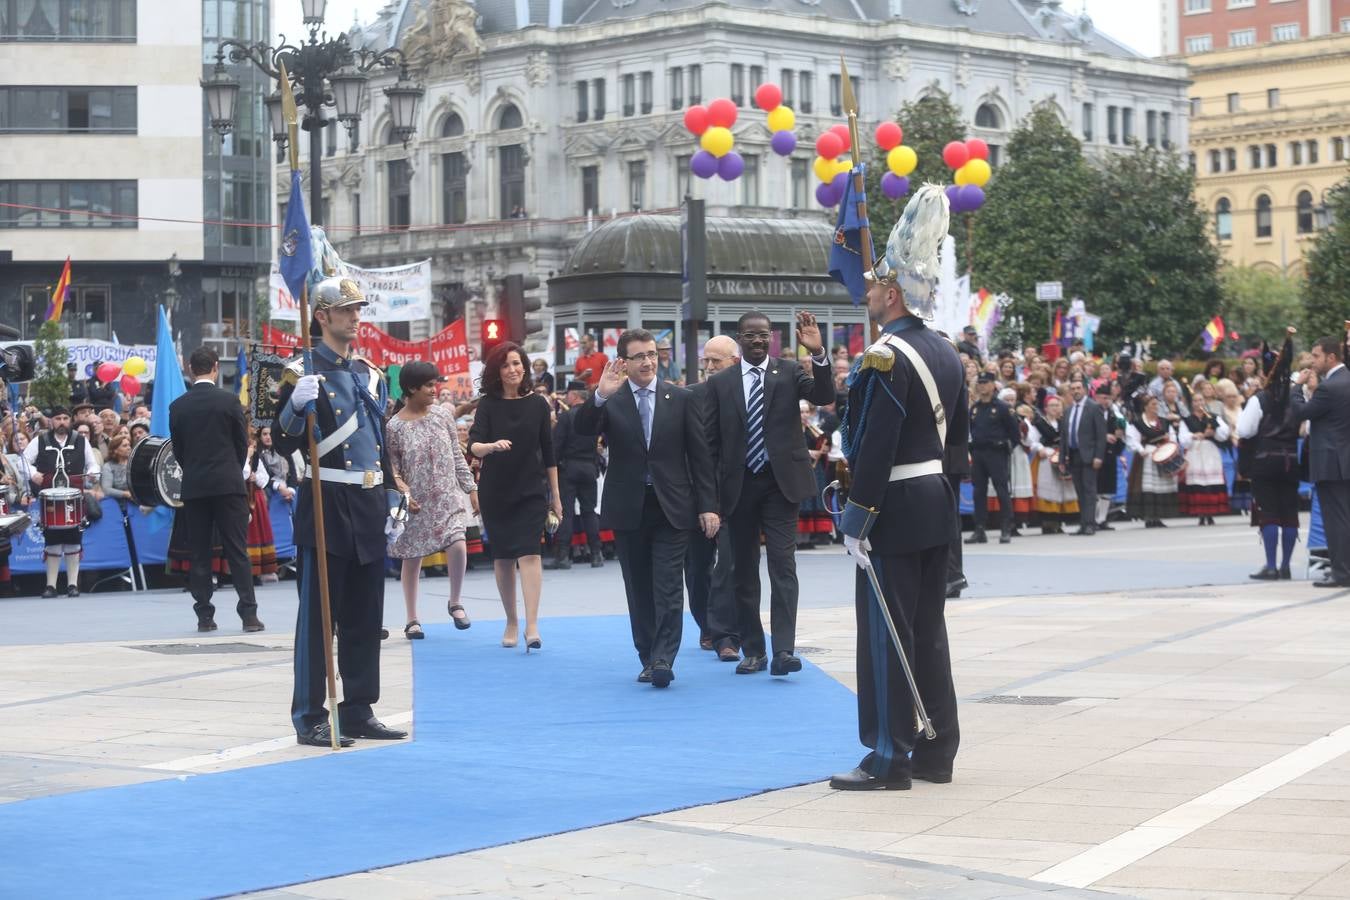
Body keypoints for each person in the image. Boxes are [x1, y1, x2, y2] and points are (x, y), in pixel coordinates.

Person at [831, 185, 967, 791]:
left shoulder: (885, 357)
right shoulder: (946, 352)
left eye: (874, 283)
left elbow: (873, 446)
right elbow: (953, 446)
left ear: (892, 292)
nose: (867, 291)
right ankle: (939, 750)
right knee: (928, 631)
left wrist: (856, 518)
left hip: (891, 509)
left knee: (888, 637)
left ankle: (890, 757)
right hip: (935, 503)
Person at [275, 276, 407, 748]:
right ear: (322, 316)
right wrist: (294, 405)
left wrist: (392, 494)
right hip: (326, 500)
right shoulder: (298, 370)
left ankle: (357, 708)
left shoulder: (371, 373)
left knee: (365, 614)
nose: (356, 316)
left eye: (358, 308)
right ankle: (310, 714)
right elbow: (281, 440)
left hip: (368, 501)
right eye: (346, 309)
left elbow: (378, 442)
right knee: (318, 618)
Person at [575, 328, 718, 687]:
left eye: (652, 354)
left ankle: (663, 658)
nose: (648, 362)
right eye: (639, 356)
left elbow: (699, 457)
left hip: (673, 507)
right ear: (623, 362)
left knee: (669, 585)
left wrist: (708, 505)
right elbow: (581, 432)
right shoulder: (613, 399)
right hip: (628, 506)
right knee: (639, 587)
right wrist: (599, 396)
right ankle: (647, 655)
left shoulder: (680, 397)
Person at [705, 310, 835, 676]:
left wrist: (818, 353)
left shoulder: (790, 372)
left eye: (764, 335)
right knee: (743, 571)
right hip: (739, 486)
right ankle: (754, 650)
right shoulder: (721, 383)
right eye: (750, 335)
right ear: (739, 339)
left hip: (782, 485)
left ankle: (784, 651)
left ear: (771, 337)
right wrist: (711, 499)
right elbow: (710, 444)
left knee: (783, 565)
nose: (758, 340)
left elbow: (825, 394)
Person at [468, 342, 562, 652]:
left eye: (517, 363)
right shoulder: (488, 404)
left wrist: (556, 497)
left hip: (531, 490)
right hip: (496, 491)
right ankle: (511, 620)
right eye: (506, 364)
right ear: (497, 371)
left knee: (530, 553)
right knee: (503, 557)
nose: (513, 369)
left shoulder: (538, 404)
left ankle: (532, 624)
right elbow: (474, 446)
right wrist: (491, 446)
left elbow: (549, 455)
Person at [388, 361, 480, 637]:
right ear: (412, 388)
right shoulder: (394, 427)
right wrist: (404, 493)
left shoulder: (442, 416)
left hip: (447, 498)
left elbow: (456, 456)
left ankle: (455, 601)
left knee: (458, 543)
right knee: (412, 558)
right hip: (414, 504)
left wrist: (471, 490)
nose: (435, 389)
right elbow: (392, 469)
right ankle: (412, 618)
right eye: (429, 385)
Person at [685, 335, 741, 656]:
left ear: (733, 362)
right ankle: (707, 626)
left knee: (729, 566)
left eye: (715, 361)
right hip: (695, 496)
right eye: (705, 361)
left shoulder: (743, 398)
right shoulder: (689, 396)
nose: (708, 367)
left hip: (733, 497)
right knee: (696, 568)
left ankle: (725, 634)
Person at [1293, 334, 1350, 587]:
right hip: (1344, 460)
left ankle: (1342, 573)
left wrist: (1297, 387)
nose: (1313, 361)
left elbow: (1301, 412)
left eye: (1316, 356)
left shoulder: (1329, 386)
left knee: (1336, 521)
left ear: (1331, 357)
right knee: (1345, 518)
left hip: (1331, 463)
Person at [24, 406, 99, 597]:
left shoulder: (81, 441)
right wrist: (33, 474)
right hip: (49, 498)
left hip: (74, 497)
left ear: (70, 420)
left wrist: (93, 474)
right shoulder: (40, 440)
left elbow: (93, 464)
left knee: (74, 539)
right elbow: (23, 461)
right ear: (52, 421)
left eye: (65, 418)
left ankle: (73, 585)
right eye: (58, 418)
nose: (62, 422)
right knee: (52, 540)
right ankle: (51, 586)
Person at [548, 380, 603, 570]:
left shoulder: (566, 417)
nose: (566, 397)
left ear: (574, 395)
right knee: (589, 512)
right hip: (589, 467)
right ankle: (596, 554)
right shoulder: (593, 417)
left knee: (566, 513)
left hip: (569, 468)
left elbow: (556, 446)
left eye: (568, 394)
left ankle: (563, 556)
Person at [965, 372, 1019, 545]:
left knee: (1002, 490)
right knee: (978, 492)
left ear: (993, 385)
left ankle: (1006, 528)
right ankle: (979, 528)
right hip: (979, 453)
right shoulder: (974, 409)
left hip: (997, 453)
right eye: (979, 382)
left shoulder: (1002, 407)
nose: (982, 386)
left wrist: (1006, 449)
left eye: (985, 382)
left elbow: (1015, 434)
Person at [1126, 394, 1191, 528]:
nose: (1156, 407)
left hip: (1163, 454)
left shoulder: (1164, 422)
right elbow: (1132, 439)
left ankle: (1158, 516)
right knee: (1148, 487)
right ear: (1146, 407)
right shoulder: (1138, 423)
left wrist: (1170, 443)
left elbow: (1173, 437)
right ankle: (1149, 517)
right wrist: (1140, 450)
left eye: (1157, 404)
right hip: (1148, 455)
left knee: (1161, 486)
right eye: (1153, 404)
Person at [1025, 397, 1078, 534]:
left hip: (1061, 458)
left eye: (1057, 405)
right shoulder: (1039, 423)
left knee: (1062, 490)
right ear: (1046, 408)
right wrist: (1040, 449)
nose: (1055, 408)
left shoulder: (1063, 423)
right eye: (1052, 405)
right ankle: (1047, 523)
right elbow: (1032, 440)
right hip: (1046, 458)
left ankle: (1058, 521)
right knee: (1047, 489)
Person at [1181, 386, 1230, 526]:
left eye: (1201, 400)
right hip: (1195, 451)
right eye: (1196, 401)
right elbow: (1183, 439)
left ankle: (1210, 514)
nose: (1199, 403)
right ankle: (1201, 514)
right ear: (1192, 404)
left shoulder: (1213, 417)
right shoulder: (1188, 420)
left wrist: (1214, 432)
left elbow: (1224, 434)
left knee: (1210, 481)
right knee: (1198, 482)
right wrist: (1194, 435)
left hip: (1210, 451)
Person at [1063, 377, 1106, 536]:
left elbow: (1101, 435)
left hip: (1089, 455)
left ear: (1085, 390)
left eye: (1078, 388)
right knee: (1079, 491)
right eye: (1072, 388)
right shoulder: (1068, 410)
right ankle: (1083, 523)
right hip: (1074, 454)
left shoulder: (1093, 407)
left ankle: (1090, 523)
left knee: (1089, 490)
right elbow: (1065, 435)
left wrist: (1098, 456)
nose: (1075, 391)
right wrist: (1063, 458)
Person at [1094, 380, 1126, 530]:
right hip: (1095, 454)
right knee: (1095, 489)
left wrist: (1119, 436)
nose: (1105, 401)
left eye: (1108, 398)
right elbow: (1086, 433)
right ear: (1096, 398)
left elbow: (1121, 431)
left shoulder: (1114, 414)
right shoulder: (1092, 412)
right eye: (1102, 397)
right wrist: (1104, 436)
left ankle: (1102, 519)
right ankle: (1093, 518)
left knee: (1107, 489)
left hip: (1110, 454)